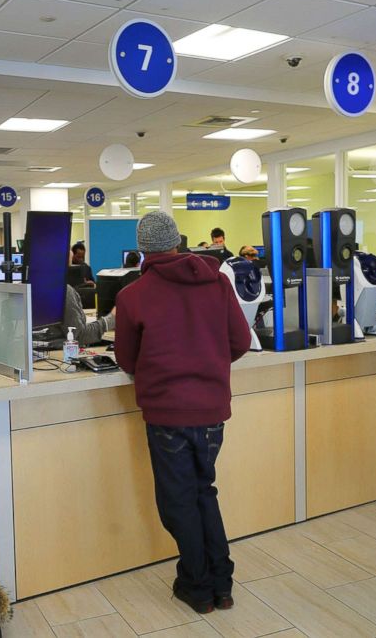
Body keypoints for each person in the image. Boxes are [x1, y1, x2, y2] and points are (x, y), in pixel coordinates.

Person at [115, 211, 251, 614]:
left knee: (178, 501)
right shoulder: (218, 282)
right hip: (211, 411)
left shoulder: (133, 295)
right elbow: (240, 341)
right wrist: (206, 359)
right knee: (203, 491)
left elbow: (126, 358)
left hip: (168, 415)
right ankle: (221, 584)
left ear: (142, 249)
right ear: (178, 241)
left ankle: (196, 585)